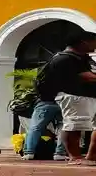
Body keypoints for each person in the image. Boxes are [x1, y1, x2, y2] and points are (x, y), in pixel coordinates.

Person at [37, 30, 96, 165]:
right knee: (74, 125)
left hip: (90, 96)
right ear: (83, 42)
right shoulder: (64, 59)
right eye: (94, 41)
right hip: (74, 97)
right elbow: (86, 77)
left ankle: (91, 157)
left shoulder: (84, 58)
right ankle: (74, 157)